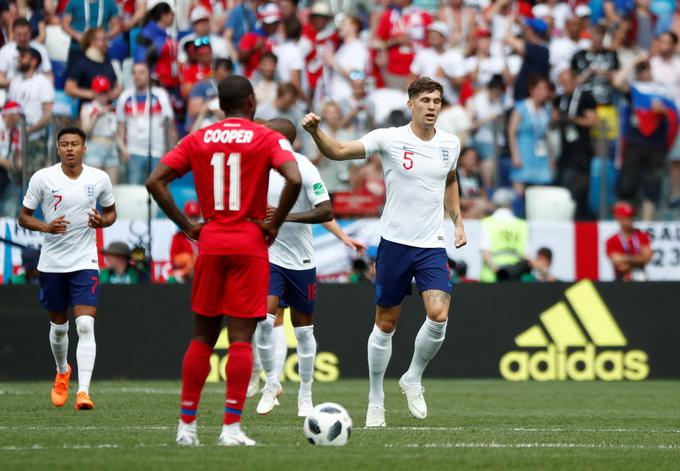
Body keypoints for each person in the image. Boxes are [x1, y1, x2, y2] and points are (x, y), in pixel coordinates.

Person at [145, 75, 302, 447]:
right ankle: (230, 428)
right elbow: (293, 178)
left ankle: (186, 428)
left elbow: (155, 181)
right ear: (251, 102)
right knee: (241, 341)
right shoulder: (266, 137)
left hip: (211, 238)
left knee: (202, 337)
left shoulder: (198, 138)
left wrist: (187, 226)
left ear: (219, 105)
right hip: (249, 240)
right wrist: (274, 223)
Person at [302, 76, 467, 427]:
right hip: (394, 244)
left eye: (437, 100)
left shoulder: (450, 144)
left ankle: (412, 378)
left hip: (431, 246)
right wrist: (317, 133)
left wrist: (457, 221)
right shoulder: (389, 138)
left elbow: (450, 181)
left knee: (438, 315)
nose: (432, 106)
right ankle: (375, 397)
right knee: (386, 324)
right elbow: (340, 151)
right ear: (411, 104)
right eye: (425, 100)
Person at [17, 126, 117, 411]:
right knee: (59, 328)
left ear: (84, 148)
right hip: (52, 263)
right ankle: (62, 371)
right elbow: (24, 217)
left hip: (85, 261)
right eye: (65, 144)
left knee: (85, 324)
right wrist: (46, 227)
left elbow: (111, 212)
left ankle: (83, 392)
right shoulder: (43, 178)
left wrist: (103, 222)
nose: (70, 148)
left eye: (75, 144)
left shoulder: (99, 178)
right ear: (58, 149)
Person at [253, 118, 333, 418]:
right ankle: (271, 384)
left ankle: (305, 395)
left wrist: (284, 217)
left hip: (301, 261)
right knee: (263, 319)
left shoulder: (304, 168)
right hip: (269, 256)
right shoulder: (258, 167)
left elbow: (326, 210)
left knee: (303, 331)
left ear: (279, 140)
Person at [116, 61, 176, 185]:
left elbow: (169, 126)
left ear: (149, 74)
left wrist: (168, 152)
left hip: (157, 152)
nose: (137, 76)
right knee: (133, 194)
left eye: (141, 72)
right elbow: (120, 128)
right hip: (133, 152)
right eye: (134, 73)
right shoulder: (125, 97)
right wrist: (123, 149)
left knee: (158, 192)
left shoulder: (160, 95)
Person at [553, 68, 597, 220]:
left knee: (579, 190)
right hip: (564, 151)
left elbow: (592, 120)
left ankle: (580, 218)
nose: (565, 86)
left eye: (567, 82)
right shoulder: (560, 99)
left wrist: (572, 119)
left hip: (582, 152)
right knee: (564, 188)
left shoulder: (585, 97)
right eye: (562, 83)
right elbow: (554, 118)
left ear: (574, 81)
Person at [7, 47, 54, 178]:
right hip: (14, 138)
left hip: (34, 138)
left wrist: (29, 130)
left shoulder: (43, 82)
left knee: (33, 177)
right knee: (14, 177)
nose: (19, 59)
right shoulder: (15, 81)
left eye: (23, 57)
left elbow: (48, 115)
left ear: (34, 62)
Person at [507, 75, 553, 198]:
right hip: (523, 150)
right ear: (532, 89)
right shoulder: (521, 107)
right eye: (539, 89)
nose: (542, 93)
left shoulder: (546, 111)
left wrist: (550, 157)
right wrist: (515, 155)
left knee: (541, 189)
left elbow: (546, 136)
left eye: (545, 90)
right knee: (520, 186)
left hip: (540, 152)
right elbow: (511, 132)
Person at [479, 188, 528, 283]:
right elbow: (526, 255)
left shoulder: (487, 223)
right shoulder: (522, 225)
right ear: (511, 204)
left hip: (491, 278)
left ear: (494, 204)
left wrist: (500, 272)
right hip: (515, 277)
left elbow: (485, 253)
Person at [64, 27, 121, 104]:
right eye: (103, 40)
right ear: (92, 42)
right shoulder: (81, 63)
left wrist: (115, 92)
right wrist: (92, 94)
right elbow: (69, 88)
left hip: (107, 108)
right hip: (87, 108)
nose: (106, 43)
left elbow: (116, 85)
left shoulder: (107, 61)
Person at [80, 76, 120, 184]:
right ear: (94, 93)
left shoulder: (112, 109)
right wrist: (96, 117)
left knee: (111, 189)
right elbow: (84, 132)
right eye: (100, 92)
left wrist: (123, 148)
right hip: (95, 147)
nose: (103, 96)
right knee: (93, 187)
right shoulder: (88, 107)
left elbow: (115, 134)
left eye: (105, 92)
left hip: (112, 148)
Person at [606, 202, 653, 280]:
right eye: (626, 217)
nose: (630, 220)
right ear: (619, 218)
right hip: (621, 280)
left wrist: (624, 259)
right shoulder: (612, 240)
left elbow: (647, 258)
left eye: (631, 216)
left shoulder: (641, 235)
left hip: (641, 279)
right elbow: (618, 263)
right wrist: (638, 260)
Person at [0, 18, 51, 88]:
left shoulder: (40, 49)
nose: (22, 38)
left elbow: (49, 75)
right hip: (11, 91)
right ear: (13, 33)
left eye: (25, 34)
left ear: (30, 32)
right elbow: (0, 78)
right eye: (18, 35)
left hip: (36, 91)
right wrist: (17, 84)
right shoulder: (5, 50)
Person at [169, 200, 200, 273]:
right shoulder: (178, 237)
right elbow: (173, 261)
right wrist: (190, 260)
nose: (193, 220)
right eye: (190, 217)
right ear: (185, 218)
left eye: (195, 217)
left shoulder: (205, 236)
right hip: (184, 274)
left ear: (199, 218)